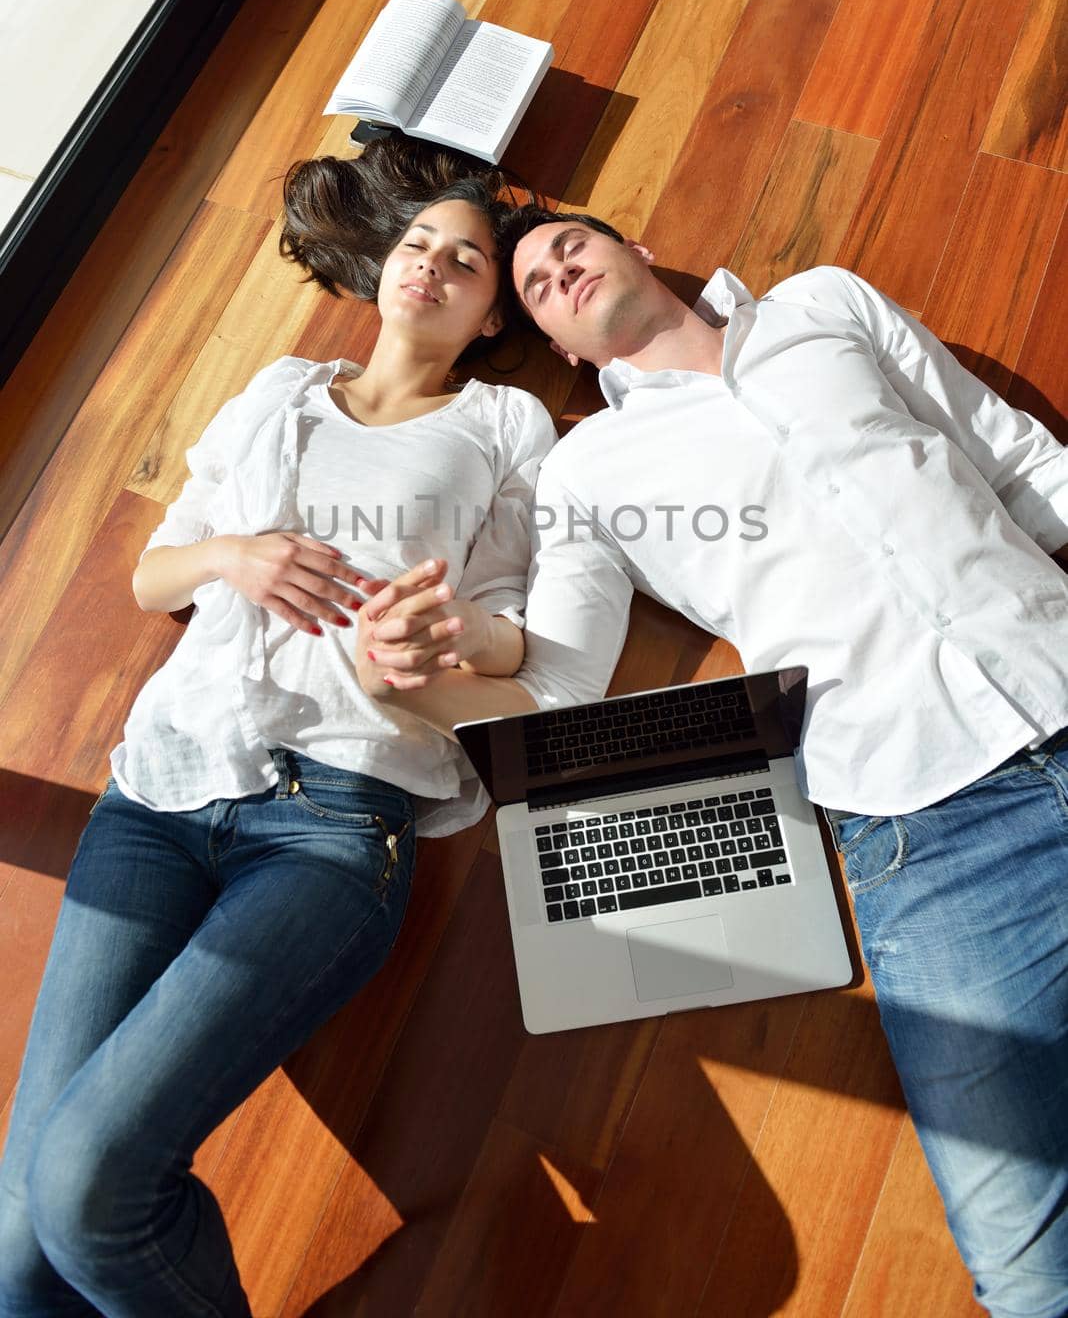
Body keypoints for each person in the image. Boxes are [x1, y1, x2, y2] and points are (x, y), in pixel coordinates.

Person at [354, 208, 1068, 1318]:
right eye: (536, 283)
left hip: (1056, 667)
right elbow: (555, 677)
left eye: (570, 248)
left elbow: (1019, 463)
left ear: (634, 246)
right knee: (1028, 1272)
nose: (559, 270)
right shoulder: (588, 468)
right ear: (564, 351)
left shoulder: (824, 304)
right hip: (924, 832)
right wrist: (429, 665)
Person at [0, 137, 556, 1317]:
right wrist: (233, 555)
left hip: (335, 820)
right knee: (16, 1250)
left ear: (493, 313)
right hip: (159, 795)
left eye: (465, 262)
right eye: (419, 244)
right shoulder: (278, 390)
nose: (433, 265)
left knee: (90, 1183)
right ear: (382, 267)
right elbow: (157, 576)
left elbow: (508, 627)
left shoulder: (503, 425)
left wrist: (438, 645)